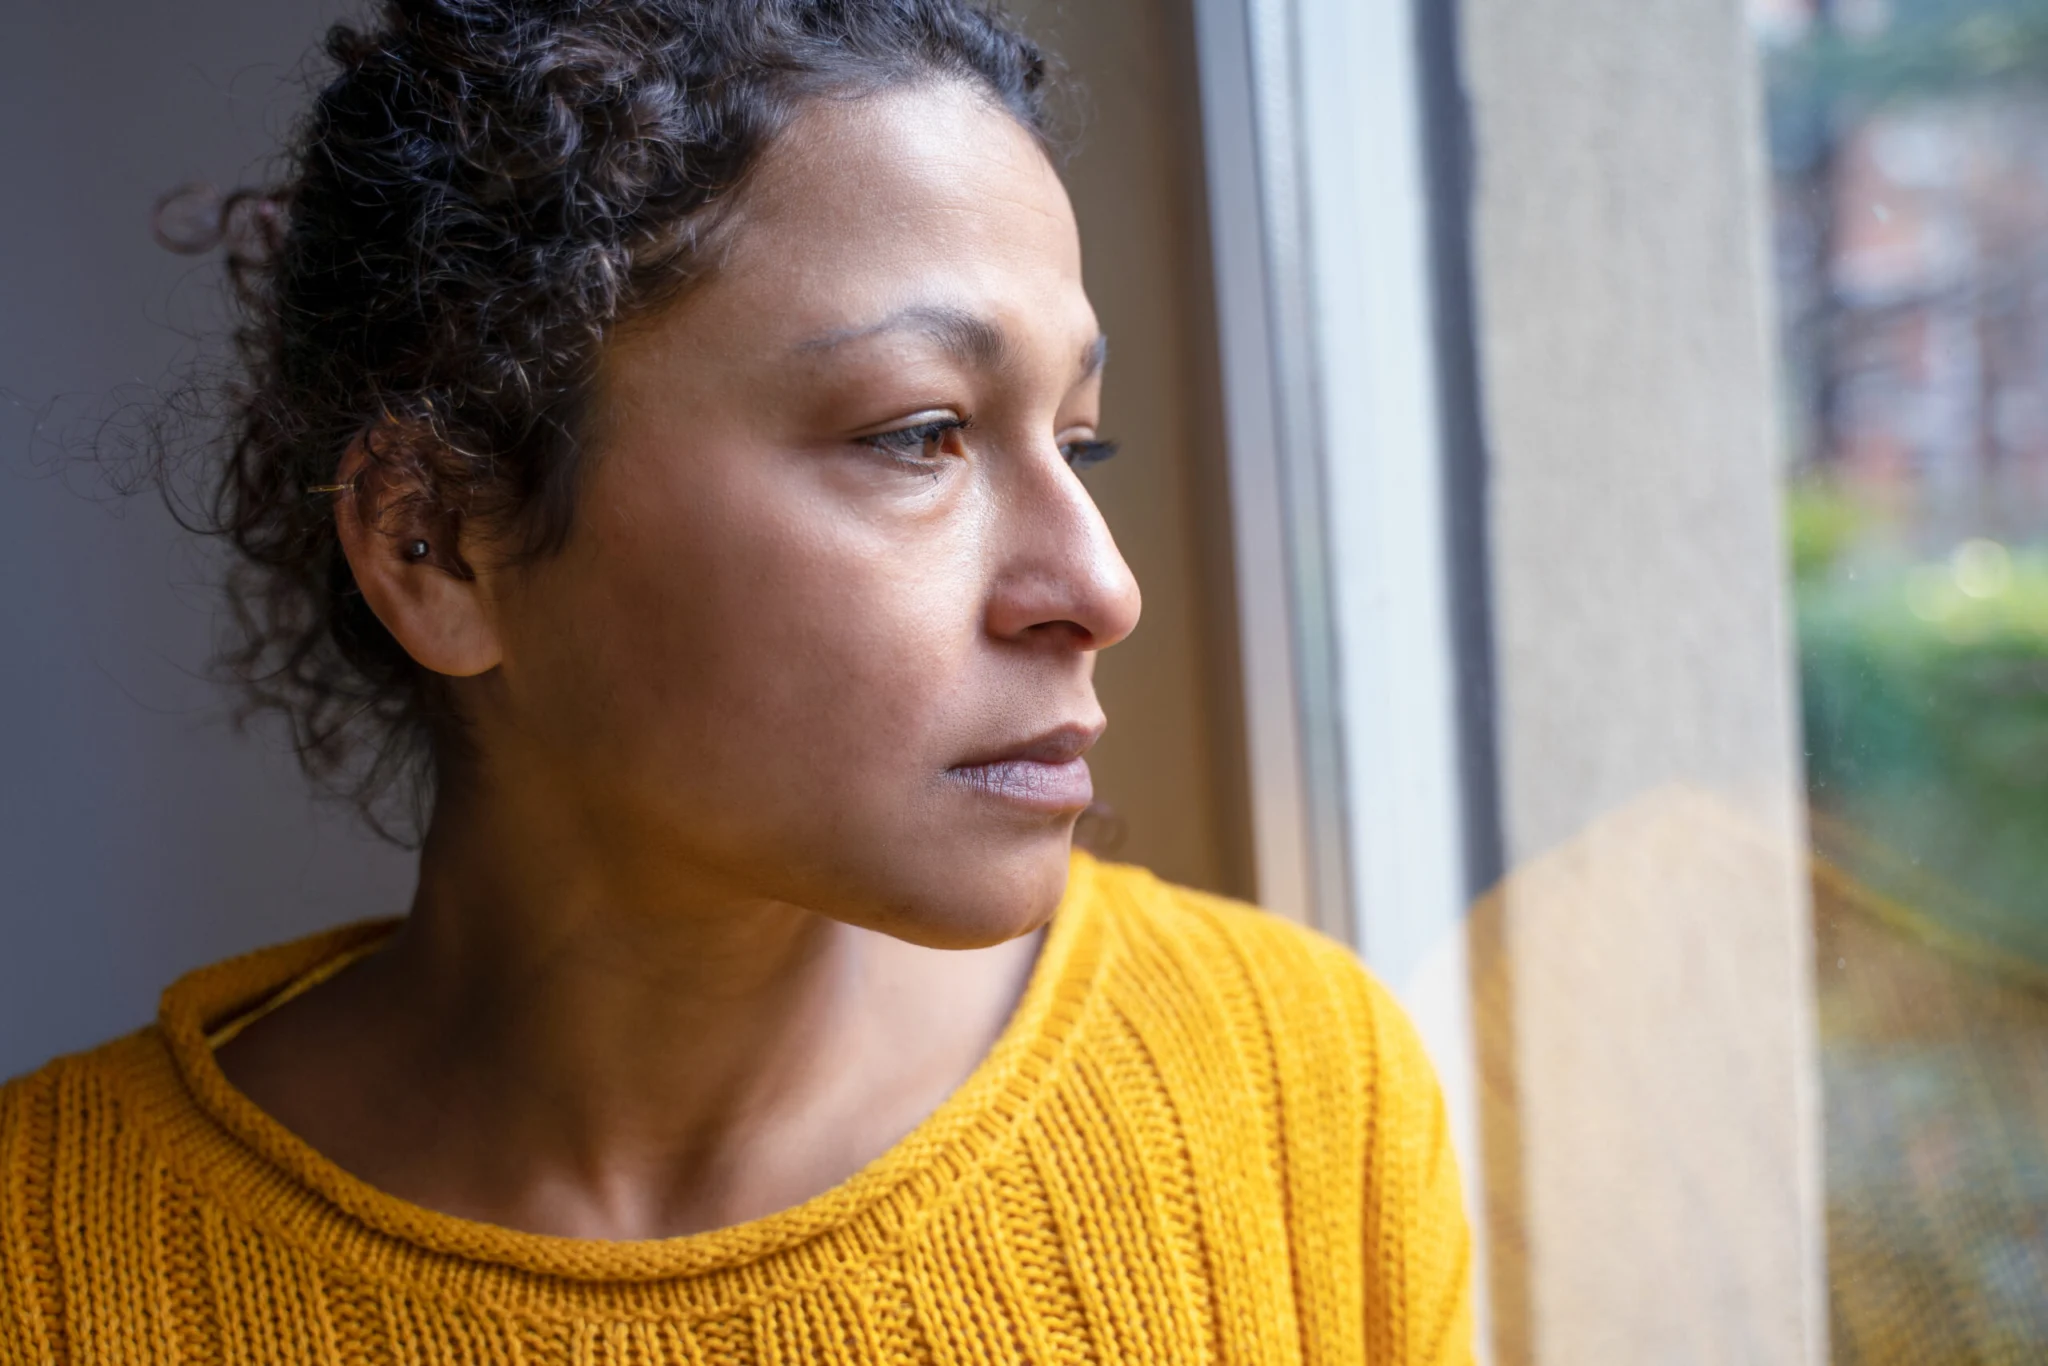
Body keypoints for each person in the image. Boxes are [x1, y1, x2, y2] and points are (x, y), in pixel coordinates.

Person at [0, 2, 1473, 1360]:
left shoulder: (1289, 1092)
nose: (1100, 587)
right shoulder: (51, 1273)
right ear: (435, 542)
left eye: (1078, 441)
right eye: (919, 433)